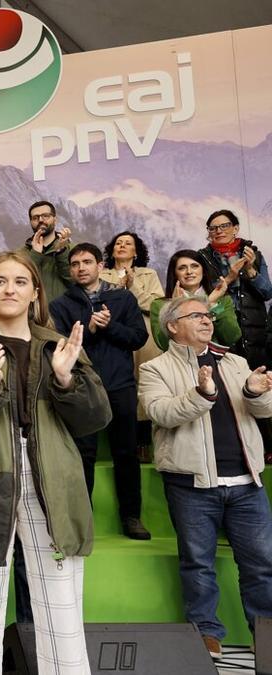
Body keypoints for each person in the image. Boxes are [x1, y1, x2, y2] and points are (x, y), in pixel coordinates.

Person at [0, 251, 110, 675]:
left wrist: (66, 379)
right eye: (0, 281)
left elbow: (95, 419)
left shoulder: (57, 345)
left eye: (20, 282)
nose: (10, 289)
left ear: (35, 292)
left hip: (54, 481)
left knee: (61, 605)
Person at [139, 295, 272, 658]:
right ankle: (206, 634)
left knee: (263, 565)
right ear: (172, 326)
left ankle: (267, 636)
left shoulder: (237, 361)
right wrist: (201, 393)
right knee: (197, 564)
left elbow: (264, 409)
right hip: (191, 484)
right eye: (196, 315)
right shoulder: (155, 368)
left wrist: (253, 392)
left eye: (208, 315)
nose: (206, 320)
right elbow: (161, 413)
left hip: (247, 483)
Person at [50, 244, 151, 540]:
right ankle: (83, 520)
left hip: (120, 385)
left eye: (87, 262)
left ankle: (132, 517)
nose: (81, 268)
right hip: (81, 386)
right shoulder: (61, 305)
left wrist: (110, 327)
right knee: (83, 454)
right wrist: (91, 330)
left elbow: (138, 338)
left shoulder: (122, 297)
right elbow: (59, 347)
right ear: (70, 270)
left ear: (100, 265)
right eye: (75, 263)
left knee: (126, 453)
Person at [99, 231, 164, 459]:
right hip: (113, 335)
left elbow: (156, 304)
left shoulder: (148, 274)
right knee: (115, 385)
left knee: (144, 384)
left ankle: (143, 442)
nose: (122, 246)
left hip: (143, 336)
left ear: (136, 252)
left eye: (128, 243)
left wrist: (133, 286)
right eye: (118, 242)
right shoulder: (102, 274)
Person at [198, 209, 272, 369]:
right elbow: (203, 299)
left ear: (235, 228)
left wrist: (251, 270)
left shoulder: (254, 255)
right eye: (213, 228)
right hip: (220, 326)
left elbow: (267, 293)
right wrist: (231, 278)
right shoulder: (202, 259)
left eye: (224, 226)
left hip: (255, 331)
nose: (219, 231)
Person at [149, 250, 241, 351]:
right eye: (182, 268)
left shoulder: (222, 301)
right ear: (175, 274)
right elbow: (163, 344)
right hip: (179, 363)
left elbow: (231, 337)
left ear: (204, 271)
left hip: (215, 362)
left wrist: (211, 305)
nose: (189, 272)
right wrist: (174, 307)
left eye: (194, 266)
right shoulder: (160, 305)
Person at [19, 200, 73, 304]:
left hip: (63, 314)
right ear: (30, 222)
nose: (40, 220)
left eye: (45, 216)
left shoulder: (72, 249)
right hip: (30, 314)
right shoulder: (19, 254)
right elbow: (20, 282)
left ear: (55, 219)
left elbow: (74, 280)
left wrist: (61, 251)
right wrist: (35, 255)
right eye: (35, 218)